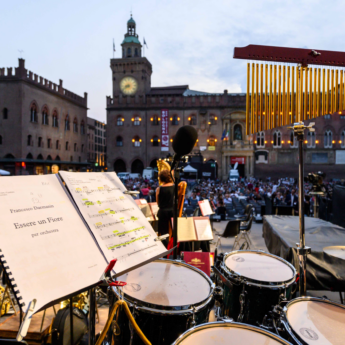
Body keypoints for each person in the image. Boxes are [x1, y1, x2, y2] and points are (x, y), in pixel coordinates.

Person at [156, 170, 174, 246]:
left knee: (164, 233)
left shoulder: (159, 189)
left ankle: (165, 249)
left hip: (163, 213)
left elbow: (158, 203)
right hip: (173, 212)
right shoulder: (175, 187)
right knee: (174, 232)